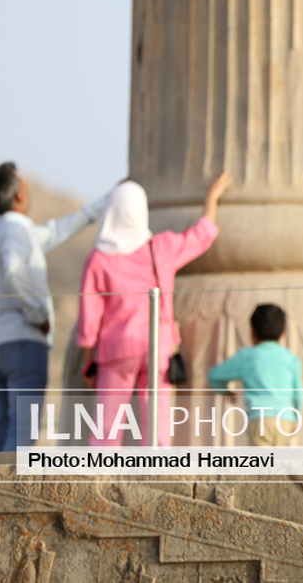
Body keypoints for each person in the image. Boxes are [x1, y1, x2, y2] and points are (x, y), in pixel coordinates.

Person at [76, 170, 232, 446]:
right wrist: (211, 199)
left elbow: (89, 317)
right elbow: (202, 235)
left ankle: (100, 471)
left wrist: (89, 359)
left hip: (116, 350)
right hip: (157, 346)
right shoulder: (161, 248)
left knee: (106, 430)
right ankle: (158, 469)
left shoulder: (99, 258)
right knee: (158, 428)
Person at [0, 161, 110, 452]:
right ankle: (12, 485)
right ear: (19, 195)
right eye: (25, 186)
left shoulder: (3, 231)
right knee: (22, 434)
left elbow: (54, 231)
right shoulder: (16, 231)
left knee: (2, 431)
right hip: (23, 341)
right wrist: (37, 316)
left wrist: (103, 201)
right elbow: (14, 270)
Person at [208, 303, 303, 446]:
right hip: (284, 420)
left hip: (260, 419)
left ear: (252, 330)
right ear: (283, 333)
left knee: (262, 459)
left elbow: (214, 376)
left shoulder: (247, 357)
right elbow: (299, 394)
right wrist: (296, 417)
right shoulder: (291, 359)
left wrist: (225, 390)